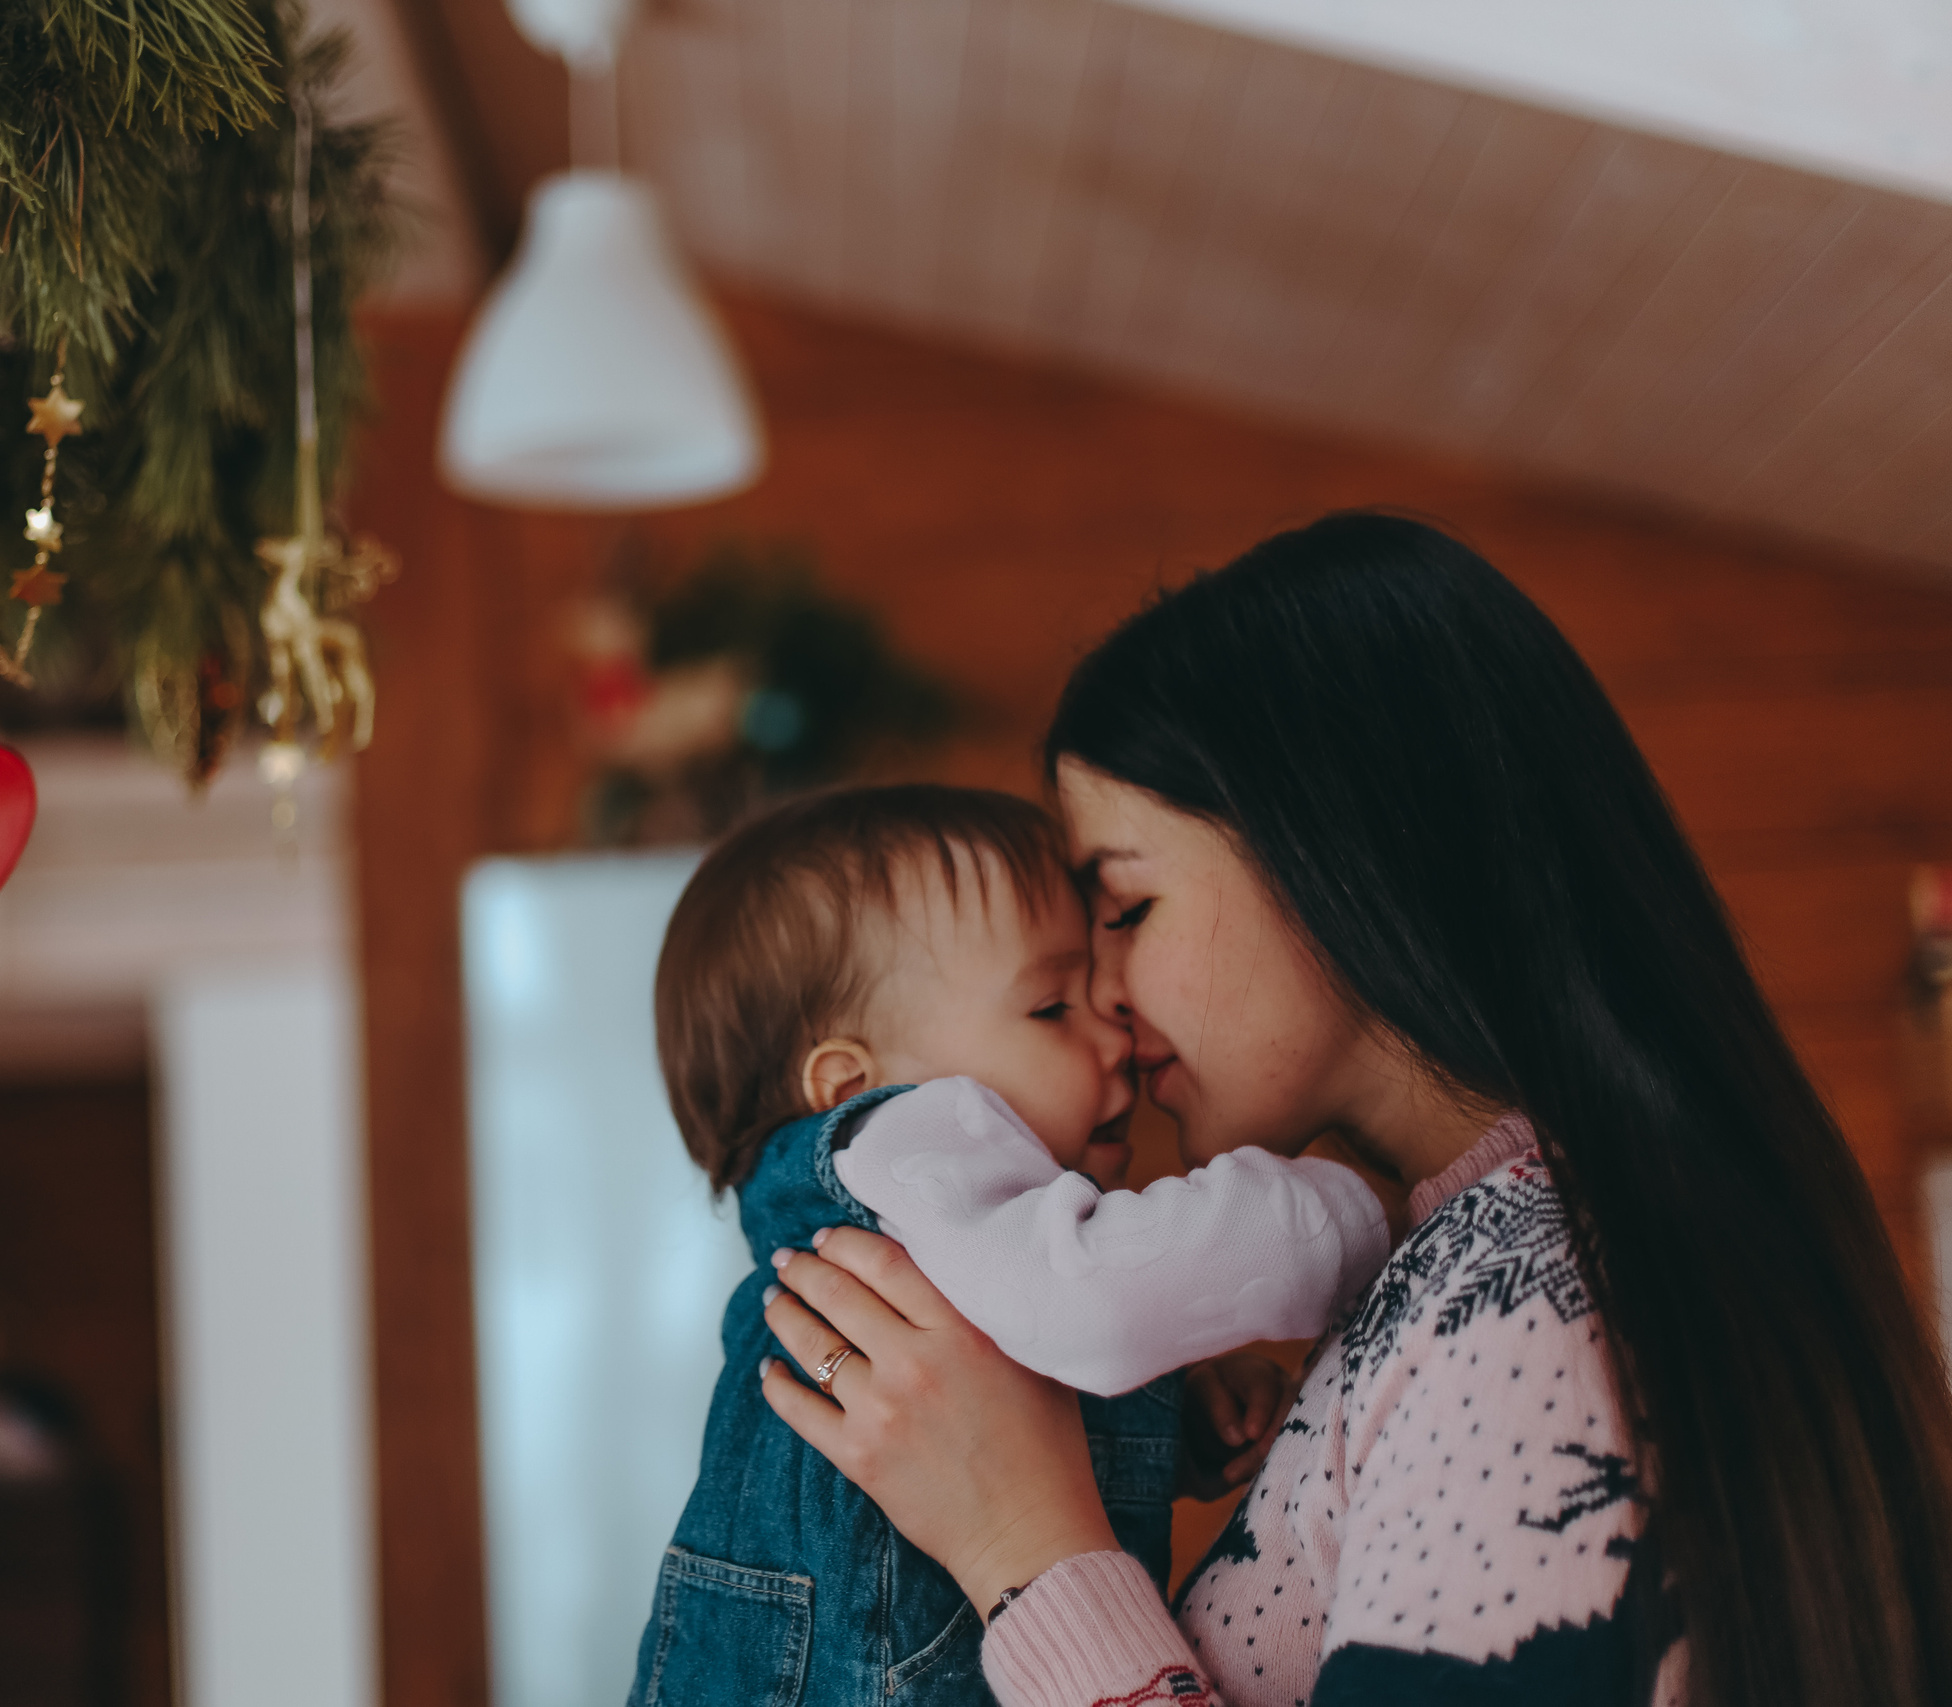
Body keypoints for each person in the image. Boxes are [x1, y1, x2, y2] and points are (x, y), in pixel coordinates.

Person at [753, 513, 1952, 1706]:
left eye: (1122, 911)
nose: (1104, 998)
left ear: (1334, 849)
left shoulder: (1529, 1306)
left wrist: (1023, 1543)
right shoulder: (1494, 1260)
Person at [631, 784, 1393, 1707]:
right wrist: (1345, 1216)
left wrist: (1167, 1426)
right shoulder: (895, 1136)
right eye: (1052, 1007)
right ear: (853, 1083)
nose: (1115, 1034)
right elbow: (1090, 1301)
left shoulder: (936, 1228)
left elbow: (1007, 1387)